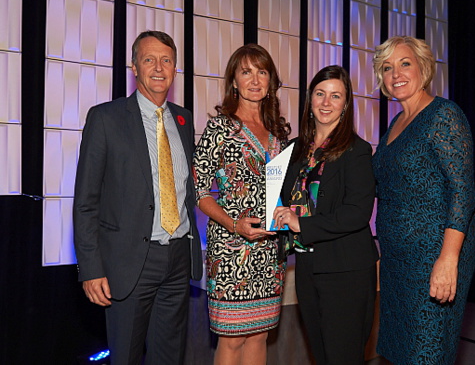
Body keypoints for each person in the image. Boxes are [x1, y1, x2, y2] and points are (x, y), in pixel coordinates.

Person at [73, 30, 203, 365]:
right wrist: (90, 268)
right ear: (134, 67)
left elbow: (187, 190)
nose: (159, 67)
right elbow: (86, 201)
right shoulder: (105, 118)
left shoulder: (184, 119)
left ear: (175, 68)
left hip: (177, 261)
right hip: (129, 263)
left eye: (167, 60)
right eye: (149, 59)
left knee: (169, 358)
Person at [371, 35, 475, 364]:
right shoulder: (395, 124)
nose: (396, 73)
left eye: (405, 63)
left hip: (436, 253)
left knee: (426, 353)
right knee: (402, 351)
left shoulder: (444, 115)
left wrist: (448, 260)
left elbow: (463, 192)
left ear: (424, 68)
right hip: (397, 260)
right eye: (387, 68)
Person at [272, 65, 378, 365]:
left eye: (335, 96)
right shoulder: (294, 149)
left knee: (342, 358)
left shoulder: (356, 150)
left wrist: (299, 223)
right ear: (310, 99)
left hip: (347, 271)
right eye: (320, 94)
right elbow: (273, 195)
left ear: (346, 104)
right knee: (320, 355)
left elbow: (357, 214)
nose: (326, 102)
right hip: (307, 268)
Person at [193, 44, 290, 365]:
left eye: (262, 72)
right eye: (246, 71)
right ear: (233, 80)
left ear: (271, 81)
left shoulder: (278, 131)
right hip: (231, 248)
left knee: (260, 334)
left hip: (270, 251)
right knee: (232, 338)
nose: (254, 79)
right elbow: (198, 189)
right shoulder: (219, 128)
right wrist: (234, 224)